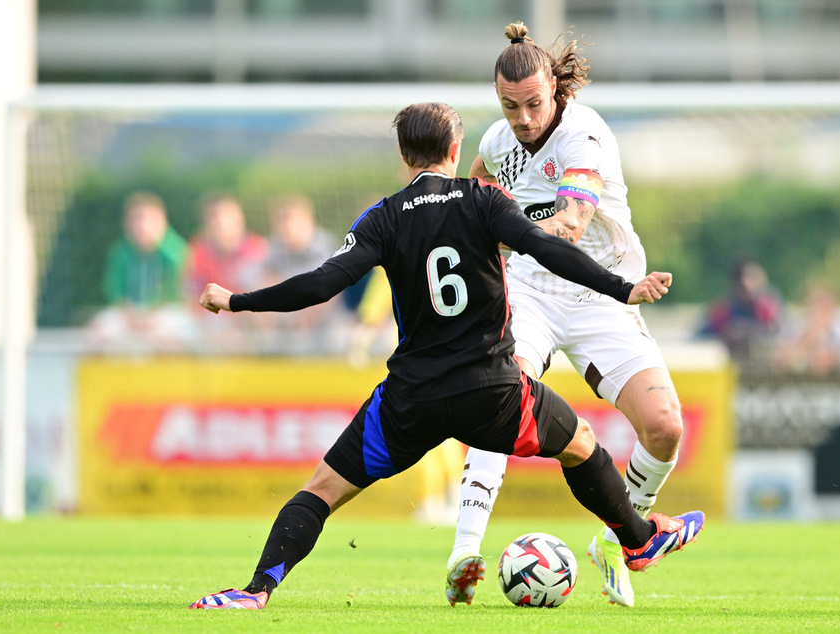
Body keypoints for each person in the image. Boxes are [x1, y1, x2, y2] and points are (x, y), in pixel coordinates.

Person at [188, 102, 703, 611]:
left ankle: (255, 591)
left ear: (402, 153)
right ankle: (637, 539)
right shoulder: (484, 200)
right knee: (582, 445)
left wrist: (237, 300)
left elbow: (322, 284)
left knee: (322, 490)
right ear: (456, 150)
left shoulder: (383, 217)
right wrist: (622, 287)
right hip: (493, 394)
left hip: (411, 399)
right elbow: (551, 251)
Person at [448, 22, 688, 608]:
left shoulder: (584, 136)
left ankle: (619, 536)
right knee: (503, 398)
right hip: (528, 291)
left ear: (555, 88)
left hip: (600, 293)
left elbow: (572, 227)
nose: (524, 118)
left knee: (665, 427)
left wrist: (503, 236)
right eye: (510, 107)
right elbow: (473, 195)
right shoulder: (496, 144)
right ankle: (464, 551)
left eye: (533, 103)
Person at [88, 191, 191, 346]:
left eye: (147, 219)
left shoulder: (177, 252)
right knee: (98, 332)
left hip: (166, 312)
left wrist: (150, 317)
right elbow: (113, 289)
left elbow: (180, 291)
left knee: (173, 337)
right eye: (135, 220)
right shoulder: (120, 252)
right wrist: (130, 315)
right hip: (128, 312)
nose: (141, 226)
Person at [257, 194, 346, 353]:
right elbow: (263, 285)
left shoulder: (326, 248)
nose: (286, 230)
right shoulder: (273, 250)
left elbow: (327, 293)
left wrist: (301, 327)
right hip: (283, 323)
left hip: (325, 325)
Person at [182, 194, 268, 347]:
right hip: (210, 319)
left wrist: (234, 325)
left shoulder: (256, 249)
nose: (219, 223)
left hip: (246, 318)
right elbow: (192, 295)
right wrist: (209, 328)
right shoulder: (197, 250)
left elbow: (259, 295)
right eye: (213, 219)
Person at [699, 258, 784, 367]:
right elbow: (702, 336)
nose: (747, 283)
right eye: (743, 277)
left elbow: (781, 333)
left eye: (753, 277)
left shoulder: (770, 306)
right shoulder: (724, 309)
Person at [774, 281, 840, 376]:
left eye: (825, 302)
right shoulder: (797, 322)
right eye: (817, 302)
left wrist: (832, 357)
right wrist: (810, 337)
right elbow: (779, 358)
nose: (821, 308)